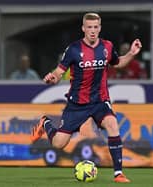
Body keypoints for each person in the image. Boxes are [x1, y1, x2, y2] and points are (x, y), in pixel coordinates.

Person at [30, 12, 142, 183]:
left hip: (100, 100)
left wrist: (132, 54)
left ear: (100, 28)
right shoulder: (74, 49)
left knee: (112, 124)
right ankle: (45, 122)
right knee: (59, 144)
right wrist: (53, 77)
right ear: (83, 28)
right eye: (89, 27)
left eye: (95, 27)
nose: (92, 31)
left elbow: (118, 63)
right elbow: (59, 72)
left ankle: (118, 173)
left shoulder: (107, 47)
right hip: (77, 104)